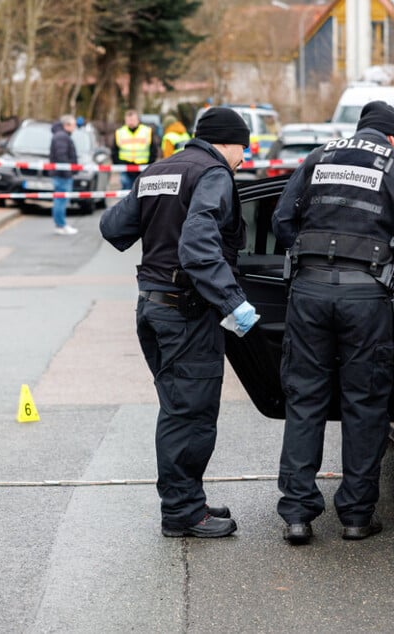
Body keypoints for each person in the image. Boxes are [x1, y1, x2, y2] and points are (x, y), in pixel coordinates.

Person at [271, 101, 394, 544]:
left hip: (308, 293)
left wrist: (307, 261)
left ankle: (297, 515)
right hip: (366, 296)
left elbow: (281, 220)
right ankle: (357, 516)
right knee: (364, 402)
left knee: (304, 398)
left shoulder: (318, 158)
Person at [100, 107, 258, 538]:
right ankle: (183, 514)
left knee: (177, 407)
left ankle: (187, 499)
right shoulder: (213, 173)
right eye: (243, 148)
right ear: (227, 142)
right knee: (190, 413)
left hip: (151, 307)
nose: (244, 158)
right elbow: (197, 244)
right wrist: (232, 302)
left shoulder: (158, 169)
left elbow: (113, 227)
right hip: (186, 311)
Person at [112, 109, 158, 191]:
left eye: (133, 119)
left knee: (143, 192)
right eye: (128, 120)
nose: (131, 122)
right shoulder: (120, 132)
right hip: (126, 168)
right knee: (126, 192)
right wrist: (120, 164)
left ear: (138, 120)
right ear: (125, 120)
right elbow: (114, 151)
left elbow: (153, 150)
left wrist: (149, 164)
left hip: (143, 167)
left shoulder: (146, 131)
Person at [49, 114, 79, 235]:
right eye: (73, 125)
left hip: (60, 174)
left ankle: (60, 224)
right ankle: (60, 225)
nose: (75, 128)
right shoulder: (62, 137)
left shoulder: (60, 136)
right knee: (61, 200)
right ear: (66, 125)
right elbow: (62, 157)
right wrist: (68, 173)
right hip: (62, 175)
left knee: (60, 200)